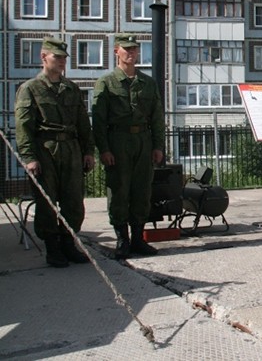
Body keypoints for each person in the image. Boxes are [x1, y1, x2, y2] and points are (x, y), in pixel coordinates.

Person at [14, 37, 96, 267]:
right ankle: (53, 248)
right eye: (56, 57)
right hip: (45, 150)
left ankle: (69, 244)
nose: (61, 62)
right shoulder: (30, 89)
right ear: (44, 57)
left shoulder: (71, 89)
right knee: (47, 202)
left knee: (73, 201)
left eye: (63, 58)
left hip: (71, 150)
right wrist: (29, 157)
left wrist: (88, 151)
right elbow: (24, 126)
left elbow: (83, 124)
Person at [92, 34, 165, 259]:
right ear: (117, 52)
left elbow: (156, 117)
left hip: (142, 140)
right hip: (118, 141)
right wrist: (103, 149)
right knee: (119, 190)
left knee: (142, 190)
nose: (131, 53)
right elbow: (99, 120)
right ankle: (122, 240)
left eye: (134, 49)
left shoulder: (147, 83)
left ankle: (137, 239)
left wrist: (158, 145)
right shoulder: (106, 82)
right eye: (127, 49)